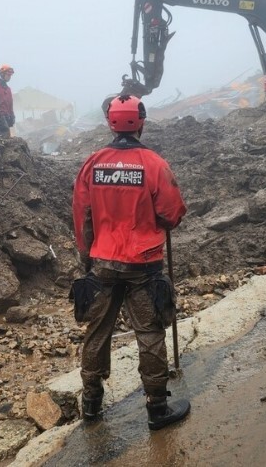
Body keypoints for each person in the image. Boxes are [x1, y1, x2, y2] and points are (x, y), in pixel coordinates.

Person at [71, 94, 190, 430]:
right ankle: (157, 408)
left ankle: (91, 405)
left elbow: (83, 215)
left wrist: (87, 257)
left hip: (103, 262)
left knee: (97, 332)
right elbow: (172, 213)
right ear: (141, 121)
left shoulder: (93, 164)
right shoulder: (154, 164)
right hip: (144, 263)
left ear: (110, 122)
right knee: (149, 332)